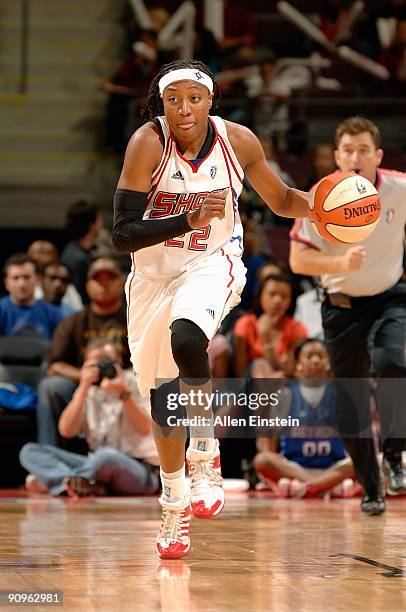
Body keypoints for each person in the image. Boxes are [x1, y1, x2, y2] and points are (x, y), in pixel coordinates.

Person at [111, 59, 312, 559]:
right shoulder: (147, 144)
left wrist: (323, 207)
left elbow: (283, 198)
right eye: (173, 99)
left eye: (194, 98)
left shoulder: (237, 141)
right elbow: (122, 234)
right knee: (162, 402)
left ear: (210, 100)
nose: (184, 109)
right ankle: (173, 505)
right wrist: (186, 217)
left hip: (212, 262)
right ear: (162, 102)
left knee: (188, 339)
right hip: (152, 279)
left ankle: (207, 451)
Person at [289, 116, 406, 515]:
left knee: (395, 363)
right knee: (351, 405)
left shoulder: (399, 188)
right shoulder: (317, 199)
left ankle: (394, 453)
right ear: (337, 156)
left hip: (390, 298)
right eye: (348, 151)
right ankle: (371, 488)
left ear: (377, 155)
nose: (355, 158)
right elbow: (297, 258)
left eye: (362, 150)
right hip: (340, 307)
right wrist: (341, 260)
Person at [20, 340, 159, 497]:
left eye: (105, 363)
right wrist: (82, 387)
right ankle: (80, 484)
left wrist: (123, 393)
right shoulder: (87, 389)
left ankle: (63, 481)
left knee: (105, 456)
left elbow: (146, 428)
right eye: (94, 365)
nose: (100, 370)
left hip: (138, 468)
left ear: (118, 363)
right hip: (95, 465)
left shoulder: (135, 382)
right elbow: (66, 431)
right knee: (30, 451)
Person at [37, 257, 130, 447]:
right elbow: (54, 366)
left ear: (121, 282)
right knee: (51, 386)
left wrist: (124, 380)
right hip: (83, 386)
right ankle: (51, 452)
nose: (103, 285)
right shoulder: (74, 322)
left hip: (126, 384)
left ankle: (153, 461)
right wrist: (85, 377)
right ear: (87, 285)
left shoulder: (135, 318)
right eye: (97, 280)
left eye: (109, 279)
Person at [254, 338, 358, 499]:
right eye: (309, 356)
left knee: (368, 460)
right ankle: (325, 486)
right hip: (295, 468)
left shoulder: (341, 395)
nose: (316, 361)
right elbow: (270, 437)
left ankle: (308, 488)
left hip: (334, 468)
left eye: (321, 356)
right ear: (297, 365)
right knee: (262, 459)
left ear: (328, 363)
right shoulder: (285, 395)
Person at [233, 274, 308, 378]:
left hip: (284, 386)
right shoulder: (245, 323)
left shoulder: (297, 328)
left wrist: (265, 338)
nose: (278, 300)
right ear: (260, 296)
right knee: (259, 364)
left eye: (284, 296)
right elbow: (239, 372)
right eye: (272, 294)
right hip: (249, 386)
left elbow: (290, 373)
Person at [0, 253, 63, 340]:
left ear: (38, 280)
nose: (21, 284)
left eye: (27, 277)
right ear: (6, 283)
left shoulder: (53, 314)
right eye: (15, 278)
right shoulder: (2, 310)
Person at [61, 200, 103, 304]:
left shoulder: (76, 250)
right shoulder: (78, 258)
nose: (101, 223)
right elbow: (79, 297)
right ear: (91, 225)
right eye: (99, 219)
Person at [28, 240, 83, 313]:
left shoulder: (69, 289)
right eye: (35, 252)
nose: (38, 256)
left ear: (56, 257)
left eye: (44, 252)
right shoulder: (24, 286)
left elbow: (78, 314)